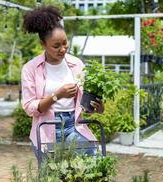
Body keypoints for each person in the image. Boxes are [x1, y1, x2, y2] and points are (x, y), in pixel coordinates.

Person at [21, 6, 104, 161]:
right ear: (43, 44)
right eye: (56, 46)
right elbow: (29, 107)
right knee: (51, 181)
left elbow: (84, 103)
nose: (63, 49)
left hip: (73, 126)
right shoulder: (31, 68)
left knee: (91, 166)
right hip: (46, 130)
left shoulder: (76, 64)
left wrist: (97, 108)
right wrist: (57, 95)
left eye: (65, 43)